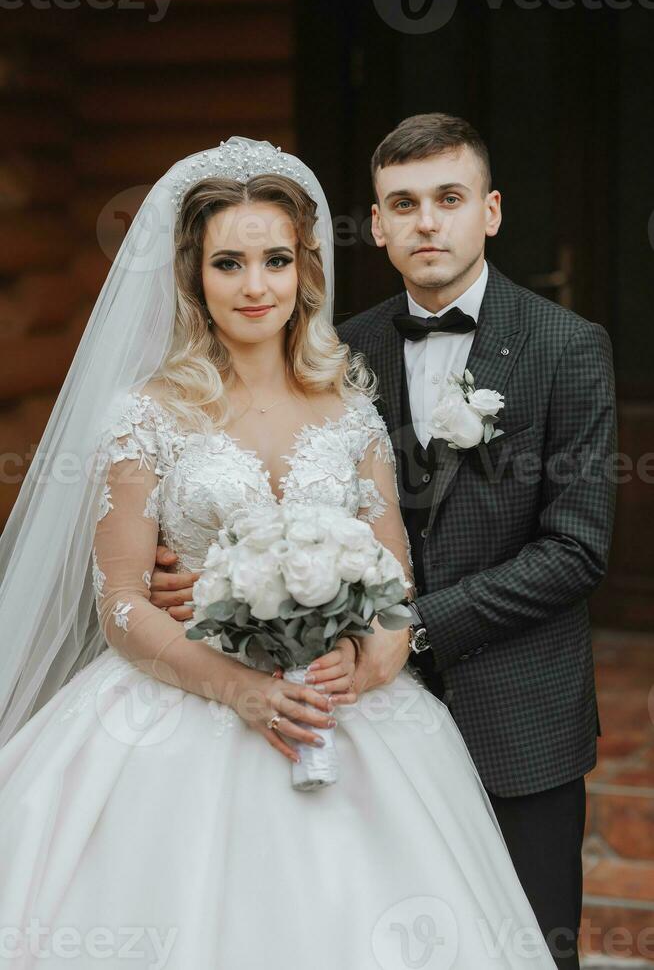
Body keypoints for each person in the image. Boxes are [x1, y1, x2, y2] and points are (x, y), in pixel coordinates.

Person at [0, 137, 557, 969]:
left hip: (349, 714)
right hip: (176, 712)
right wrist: (241, 690)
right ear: (194, 277)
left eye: (275, 260)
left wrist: (369, 657)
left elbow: (395, 578)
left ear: (306, 271)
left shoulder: (351, 411)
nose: (255, 286)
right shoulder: (145, 417)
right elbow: (119, 602)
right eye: (229, 263)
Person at [152, 116, 617, 969]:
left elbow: (576, 550)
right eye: (404, 204)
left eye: (449, 199)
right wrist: (194, 565)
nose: (427, 223)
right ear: (377, 224)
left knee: (526, 945)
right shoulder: (338, 348)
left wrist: (407, 627)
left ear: (493, 211)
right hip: (350, 717)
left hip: (514, 714)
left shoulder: (567, 347)